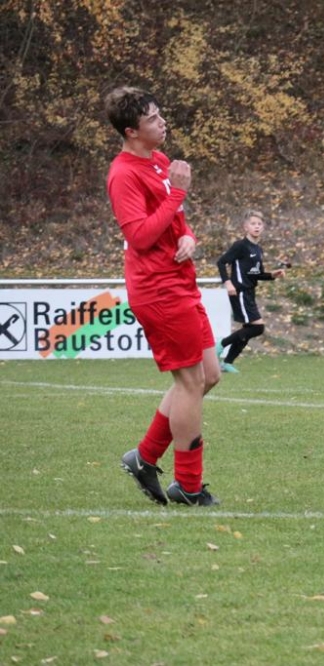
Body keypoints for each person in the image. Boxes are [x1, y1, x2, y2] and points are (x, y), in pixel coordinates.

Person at [104, 86, 221, 507]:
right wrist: (178, 192)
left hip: (180, 281)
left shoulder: (158, 161)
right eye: (152, 118)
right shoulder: (123, 175)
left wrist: (188, 237)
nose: (162, 122)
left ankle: (144, 457)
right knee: (190, 382)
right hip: (158, 289)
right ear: (132, 131)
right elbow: (139, 237)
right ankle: (188, 485)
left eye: (159, 114)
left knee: (209, 375)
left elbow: (176, 221)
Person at [215, 210, 286, 372]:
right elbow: (221, 263)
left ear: (263, 227)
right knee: (257, 328)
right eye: (253, 224)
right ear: (245, 227)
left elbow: (256, 274)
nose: (257, 226)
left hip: (249, 292)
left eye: (259, 224)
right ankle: (221, 344)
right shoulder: (240, 246)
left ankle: (227, 363)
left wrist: (272, 275)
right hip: (239, 291)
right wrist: (228, 283)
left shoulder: (258, 249)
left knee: (248, 329)